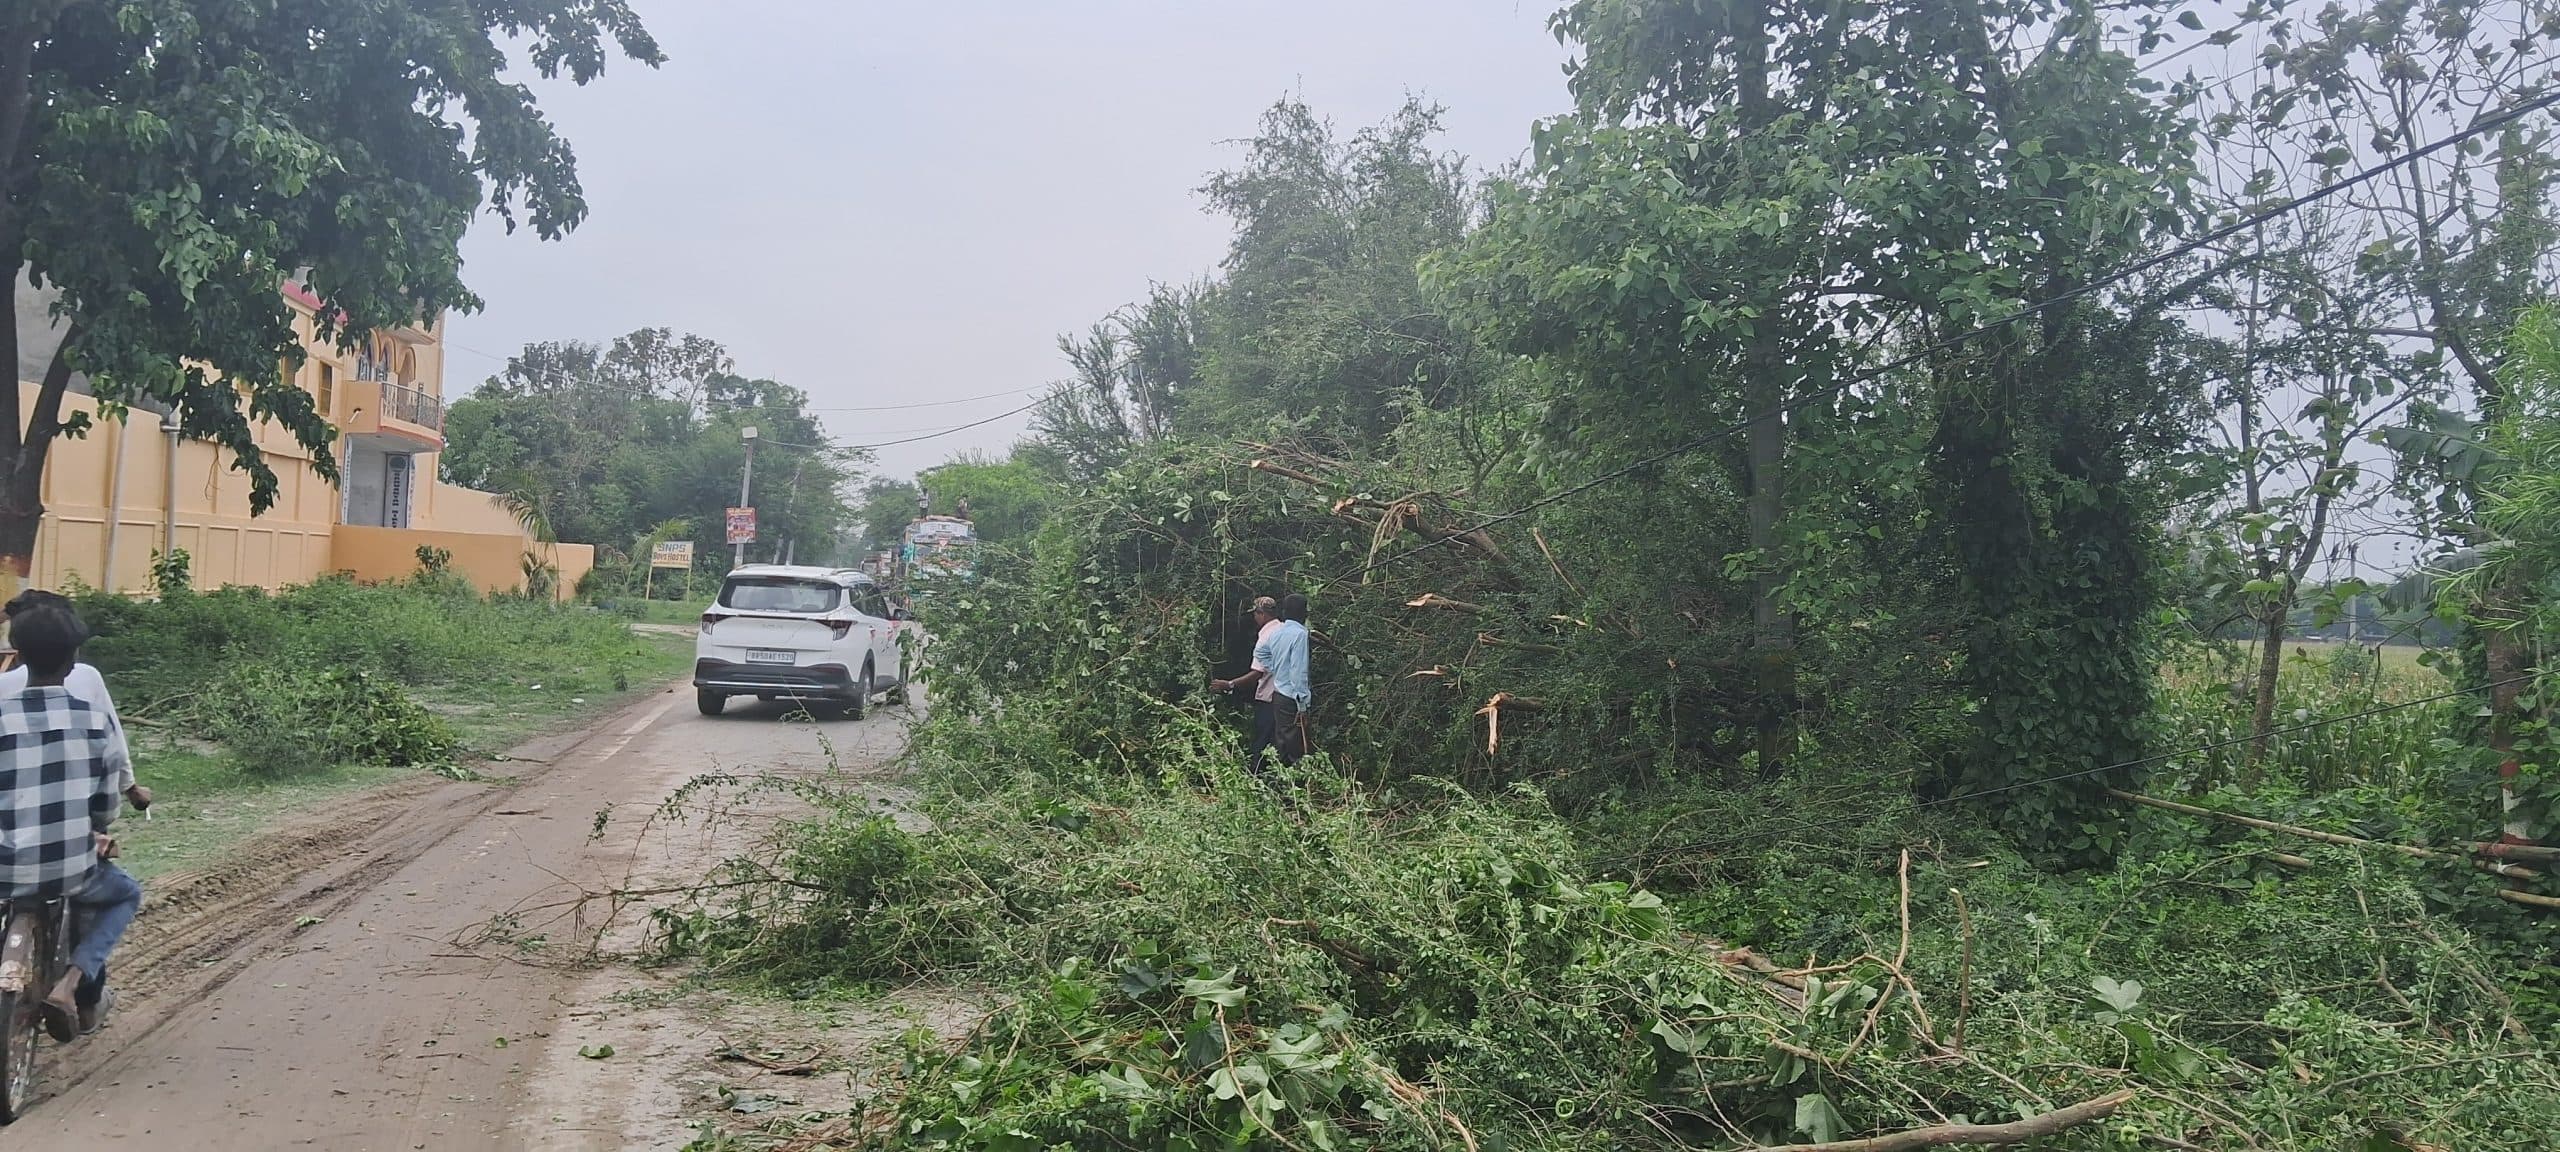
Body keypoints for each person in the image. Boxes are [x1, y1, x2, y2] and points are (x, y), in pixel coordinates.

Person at [0, 600, 139, 1039]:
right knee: (124, 895)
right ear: (73, 658)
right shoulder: (94, 721)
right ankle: (72, 983)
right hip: (69, 868)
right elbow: (104, 806)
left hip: (3, 865)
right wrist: (98, 827)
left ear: (16, 656)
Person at [0, 590, 147, 812]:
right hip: (79, 827)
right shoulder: (90, 693)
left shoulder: (4, 694)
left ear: (18, 650)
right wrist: (130, 789)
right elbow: (115, 750)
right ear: (73, 655)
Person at [1209, 597, 1284, 776]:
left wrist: (1229, 684)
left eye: (1256, 615)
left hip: (1268, 698)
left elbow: (1257, 674)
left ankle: (1256, 780)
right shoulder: (1285, 630)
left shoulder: (1265, 638)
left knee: (1262, 744)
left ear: (1262, 614)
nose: (1254, 619)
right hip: (1286, 698)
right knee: (1280, 745)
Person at [1268, 594, 1313, 766]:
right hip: (1293, 698)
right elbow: (1298, 672)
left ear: (1285, 612)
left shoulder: (1277, 633)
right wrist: (1302, 705)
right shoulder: (1300, 634)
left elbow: (1262, 654)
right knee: (1297, 747)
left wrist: (1276, 671)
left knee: (1282, 743)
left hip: (1278, 694)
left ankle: (1280, 785)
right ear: (1304, 613)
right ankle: (1298, 788)